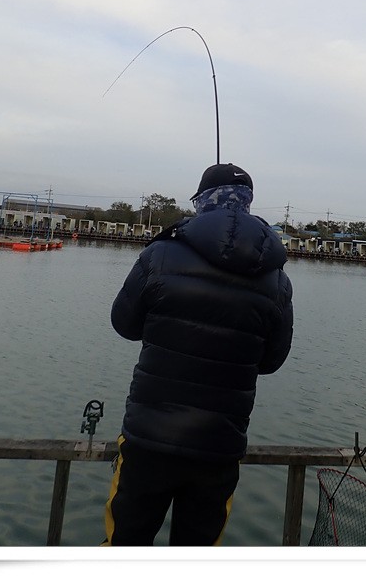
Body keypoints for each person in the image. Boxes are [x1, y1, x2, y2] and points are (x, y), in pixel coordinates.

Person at [103, 163, 294, 546]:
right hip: (219, 447)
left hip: (148, 439)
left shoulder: (160, 254)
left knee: (124, 547)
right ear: (247, 202)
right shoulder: (276, 278)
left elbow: (124, 324)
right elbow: (271, 361)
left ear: (202, 201)